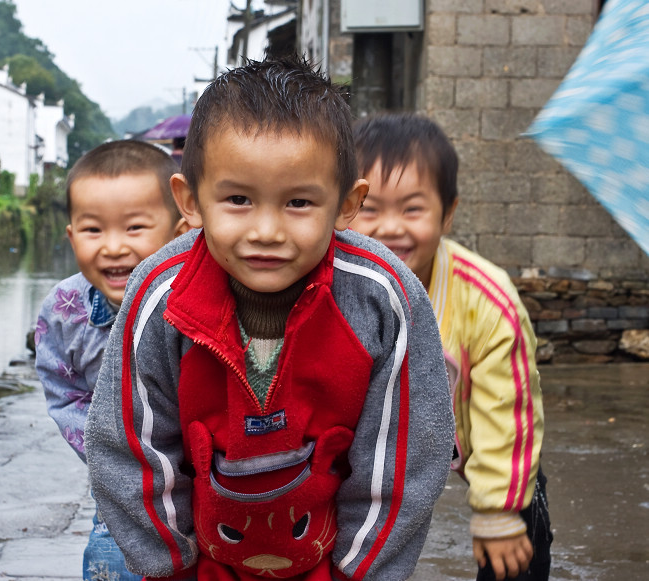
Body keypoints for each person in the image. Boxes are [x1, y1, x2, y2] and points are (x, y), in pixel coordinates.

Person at [84, 56, 455, 580]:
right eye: (237, 199)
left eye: (299, 202)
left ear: (347, 205)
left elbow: (403, 464)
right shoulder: (159, 296)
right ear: (189, 202)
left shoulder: (383, 300)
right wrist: (169, 565)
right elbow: (130, 448)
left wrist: (360, 574)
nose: (266, 230)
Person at [350, 113, 552, 581]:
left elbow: (509, 411)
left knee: (518, 531)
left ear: (449, 212)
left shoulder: (487, 299)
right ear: (344, 206)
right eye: (371, 209)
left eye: (413, 209)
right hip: (373, 440)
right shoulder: (329, 283)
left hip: (473, 432)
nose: (389, 228)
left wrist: (498, 510)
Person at [34, 139, 188, 581]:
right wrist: (114, 455)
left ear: (179, 232)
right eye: (93, 230)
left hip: (205, 483)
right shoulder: (65, 308)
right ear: (71, 236)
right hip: (124, 491)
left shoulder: (197, 299)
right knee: (116, 562)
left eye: (135, 228)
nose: (113, 247)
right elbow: (64, 393)